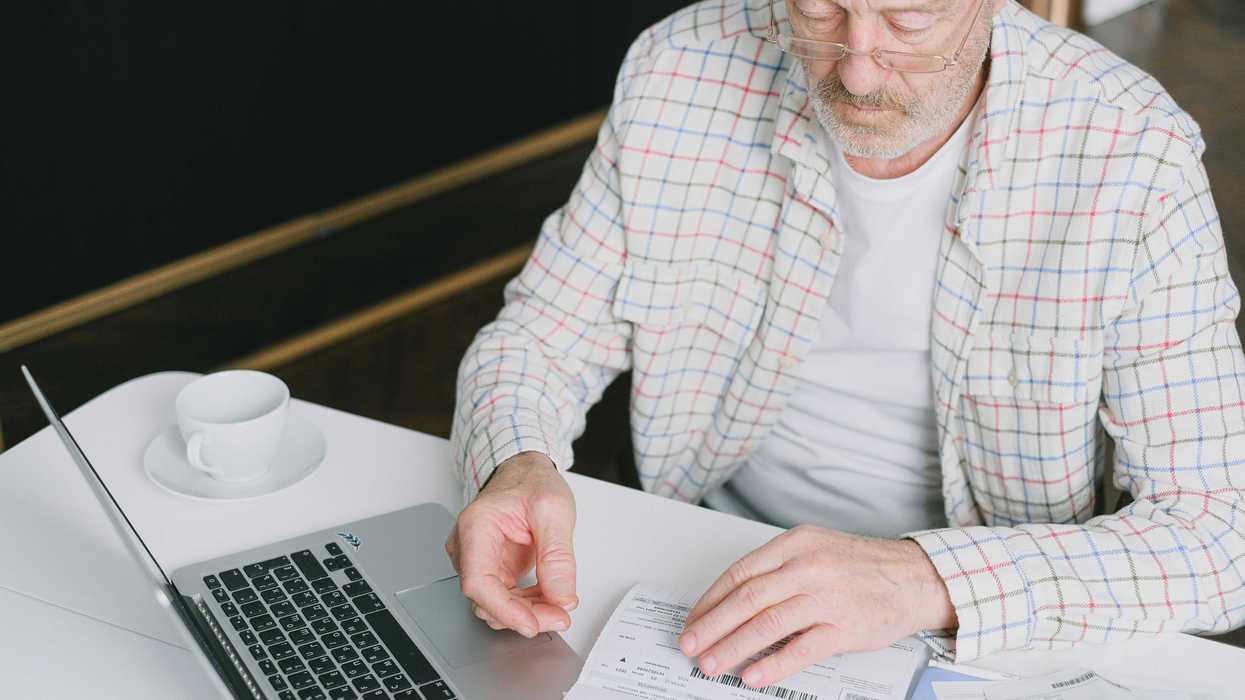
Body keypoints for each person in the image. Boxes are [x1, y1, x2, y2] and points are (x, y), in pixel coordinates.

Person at [445, 0, 1245, 688]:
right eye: (821, 9)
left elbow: (1222, 534)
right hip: (701, 561)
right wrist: (517, 459)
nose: (856, 72)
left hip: (983, 619)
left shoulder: (1132, 149)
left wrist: (919, 578)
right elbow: (540, 336)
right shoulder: (678, 66)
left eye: (908, 19)